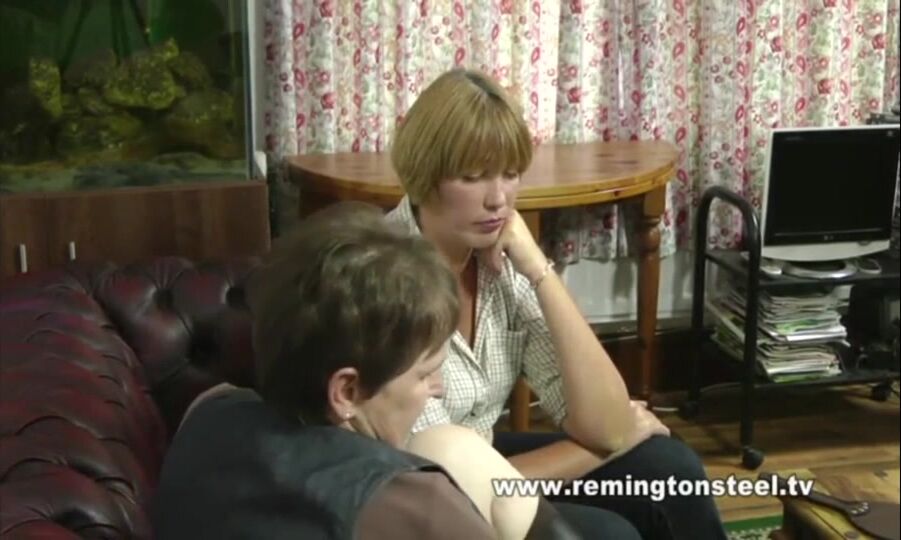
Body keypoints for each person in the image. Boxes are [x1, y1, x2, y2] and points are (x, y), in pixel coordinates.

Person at [385, 67, 729, 540]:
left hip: (485, 464)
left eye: (510, 174)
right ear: (425, 176)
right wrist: (602, 447)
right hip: (415, 498)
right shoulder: (385, 279)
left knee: (671, 469)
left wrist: (539, 270)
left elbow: (604, 421)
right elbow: (447, 488)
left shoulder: (499, 256)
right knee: (608, 533)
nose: (499, 199)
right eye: (473, 177)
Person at [151, 201, 580, 539]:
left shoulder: (207, 411)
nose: (438, 388)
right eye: (424, 373)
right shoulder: (411, 504)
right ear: (347, 391)